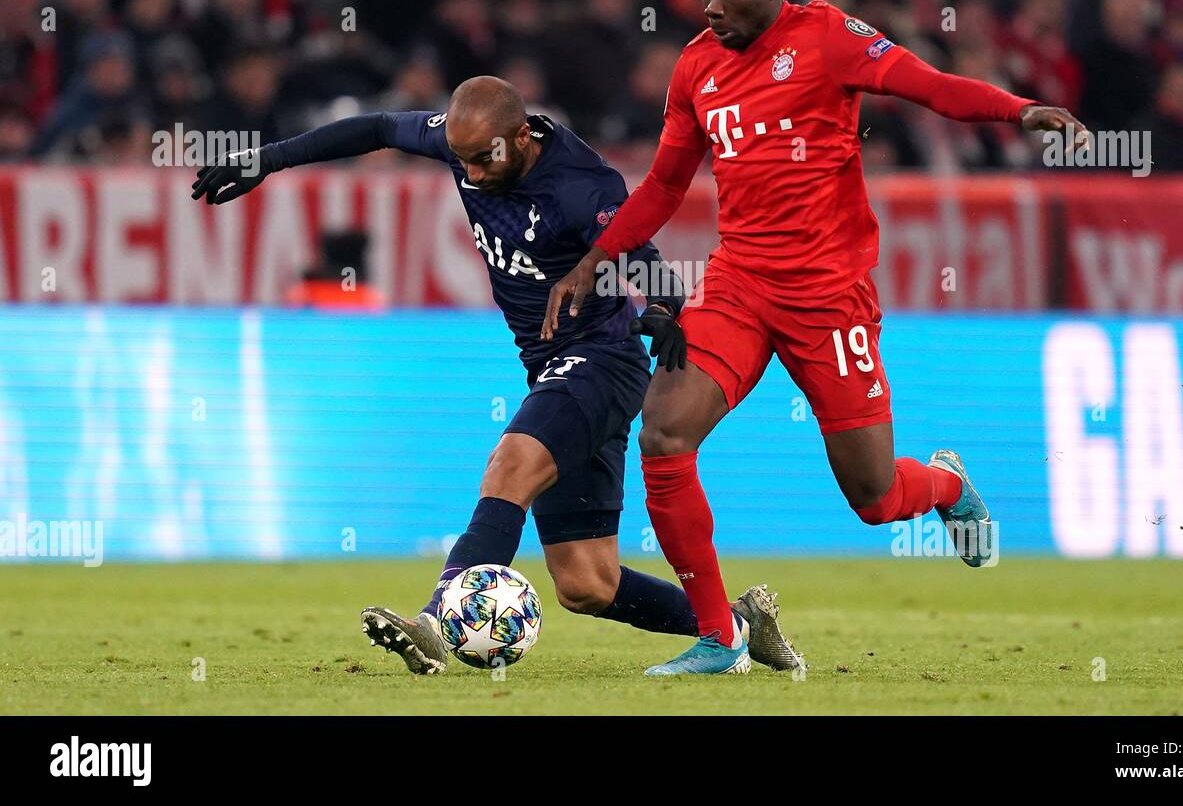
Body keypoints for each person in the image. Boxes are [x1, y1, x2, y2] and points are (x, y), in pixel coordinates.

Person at [544, 0, 1092, 676]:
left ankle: (944, 484)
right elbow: (666, 183)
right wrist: (596, 259)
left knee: (871, 496)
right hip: (737, 284)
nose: (711, 7)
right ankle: (717, 636)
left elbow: (928, 86)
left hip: (829, 297)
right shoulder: (697, 66)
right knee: (664, 434)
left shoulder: (829, 37)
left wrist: (1018, 109)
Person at [192, 75, 801, 675]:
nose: (472, 175)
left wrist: (664, 308)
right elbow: (377, 128)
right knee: (586, 583)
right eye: (462, 162)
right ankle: (739, 625)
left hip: (602, 359)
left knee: (510, 465)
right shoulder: (469, 144)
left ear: (522, 136)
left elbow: (644, 256)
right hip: (550, 368)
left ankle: (433, 622)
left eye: (484, 160)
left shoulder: (580, 187)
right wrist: (266, 159)